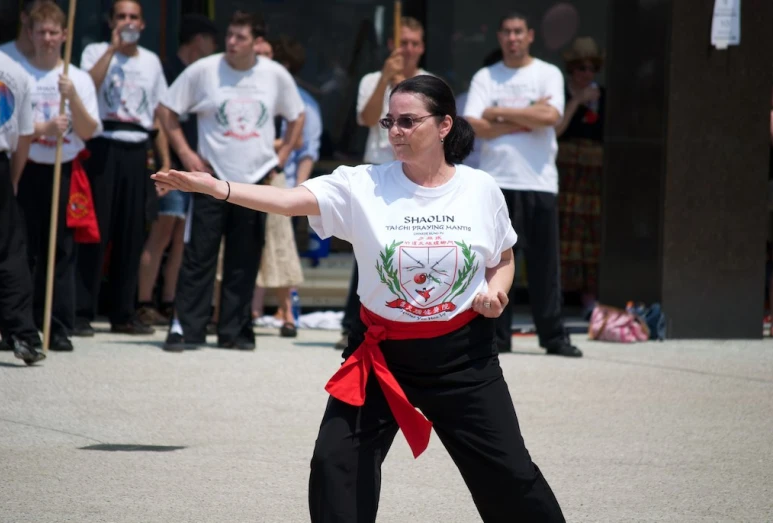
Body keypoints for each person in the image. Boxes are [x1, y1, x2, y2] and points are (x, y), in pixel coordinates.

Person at [153, 74, 566, 522]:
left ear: (445, 125)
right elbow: (288, 200)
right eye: (390, 121)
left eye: (408, 122)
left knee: (509, 474)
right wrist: (219, 188)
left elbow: (502, 257)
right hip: (381, 354)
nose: (394, 132)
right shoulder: (361, 184)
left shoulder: (480, 189)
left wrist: (496, 291)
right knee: (335, 465)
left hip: (464, 359)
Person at [156, 10, 305, 352]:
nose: (232, 42)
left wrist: (280, 160)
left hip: (254, 182)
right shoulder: (204, 70)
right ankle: (185, 329)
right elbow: (167, 109)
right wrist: (187, 155)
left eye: (240, 37)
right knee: (199, 255)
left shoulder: (274, 74)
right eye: (230, 35)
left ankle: (235, 331)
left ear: (257, 42)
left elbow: (297, 115)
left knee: (245, 258)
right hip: (211, 178)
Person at [463, 12, 582, 357]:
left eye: (519, 32)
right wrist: (528, 114)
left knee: (545, 265)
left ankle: (554, 337)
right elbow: (473, 124)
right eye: (507, 32)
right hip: (496, 182)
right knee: (497, 263)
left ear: (530, 35)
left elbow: (551, 117)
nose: (513, 38)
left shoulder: (548, 73)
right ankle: (498, 338)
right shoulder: (486, 76)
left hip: (539, 181)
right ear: (500, 37)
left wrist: (497, 113)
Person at [74, 0, 170, 337]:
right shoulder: (96, 51)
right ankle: (82, 310)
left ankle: (123, 312)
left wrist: (166, 162)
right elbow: (86, 88)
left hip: (137, 147)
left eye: (133, 17)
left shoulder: (152, 61)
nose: (127, 22)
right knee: (94, 230)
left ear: (142, 24)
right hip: (103, 143)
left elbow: (158, 114)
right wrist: (113, 49)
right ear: (111, 21)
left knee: (132, 232)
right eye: (121, 16)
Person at [336, 16, 429, 350]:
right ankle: (353, 324)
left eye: (415, 43)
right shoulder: (372, 79)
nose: (409, 49)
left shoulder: (429, 83)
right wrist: (386, 82)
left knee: (408, 250)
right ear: (392, 45)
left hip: (415, 174)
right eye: (403, 42)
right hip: (378, 171)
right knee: (368, 249)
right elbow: (366, 118)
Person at [14, 2, 101, 352]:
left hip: (64, 168)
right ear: (31, 34)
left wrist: (73, 98)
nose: (48, 38)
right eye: (41, 32)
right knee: (23, 249)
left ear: (65, 35)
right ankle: (21, 325)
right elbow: (6, 126)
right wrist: (44, 128)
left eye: (54, 32)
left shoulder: (76, 77)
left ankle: (58, 326)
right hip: (27, 166)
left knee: (62, 249)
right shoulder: (19, 74)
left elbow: (90, 130)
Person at [136, 14, 218, 326]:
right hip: (169, 166)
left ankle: (170, 302)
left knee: (183, 236)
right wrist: (166, 164)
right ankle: (145, 301)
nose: (216, 47)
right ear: (199, 39)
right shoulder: (169, 70)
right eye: (212, 40)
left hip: (195, 168)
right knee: (162, 233)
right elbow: (160, 118)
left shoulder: (203, 74)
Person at [252, 35, 323, 338]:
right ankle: (252, 309)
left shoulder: (304, 104)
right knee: (251, 247)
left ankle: (287, 311)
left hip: (285, 186)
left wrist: (299, 193)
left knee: (282, 250)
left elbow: (308, 151)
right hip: (250, 181)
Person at [0, 46, 46, 365]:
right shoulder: (15, 70)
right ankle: (23, 334)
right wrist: (13, 177)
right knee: (9, 253)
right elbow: (24, 136)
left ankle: (22, 334)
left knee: (10, 251)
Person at [554, 37, 605, 316]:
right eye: (581, 68)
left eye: (592, 68)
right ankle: (558, 296)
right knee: (563, 233)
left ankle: (589, 297)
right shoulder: (560, 93)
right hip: (566, 174)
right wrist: (577, 101)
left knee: (590, 235)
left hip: (593, 178)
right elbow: (557, 130)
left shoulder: (604, 96)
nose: (587, 74)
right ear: (572, 69)